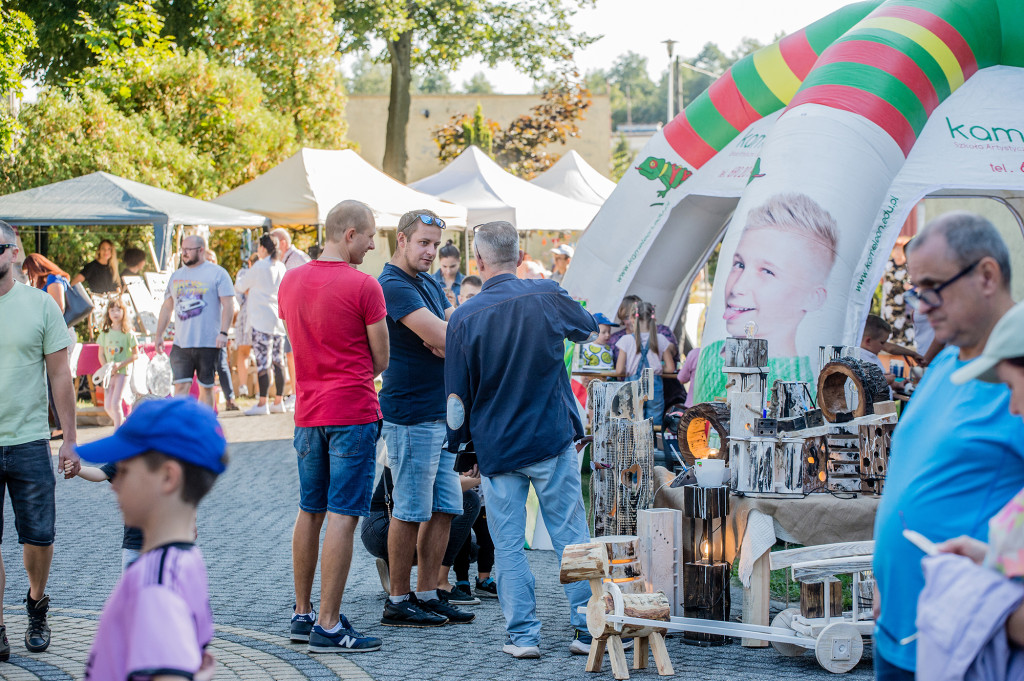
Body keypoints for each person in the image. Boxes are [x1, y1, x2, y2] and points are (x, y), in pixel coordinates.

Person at [872, 212, 1024, 680]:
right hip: (900, 630)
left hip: (967, 641)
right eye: (916, 290)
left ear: (986, 275)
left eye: (933, 287)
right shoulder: (945, 365)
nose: (921, 306)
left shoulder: (1015, 377)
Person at [445, 220, 598, 659]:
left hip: (497, 447)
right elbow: (587, 329)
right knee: (572, 535)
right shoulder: (547, 294)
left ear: (479, 260)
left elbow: (457, 398)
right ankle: (587, 627)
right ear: (519, 252)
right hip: (550, 438)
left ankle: (523, 635)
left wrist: (463, 450)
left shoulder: (464, 317)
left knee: (509, 544)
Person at [278, 200, 387, 653]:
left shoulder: (290, 281)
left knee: (310, 509)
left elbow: (297, 339)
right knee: (343, 514)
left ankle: (303, 614)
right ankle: (329, 625)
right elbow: (381, 358)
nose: (372, 244)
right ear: (349, 234)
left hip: (308, 412)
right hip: (353, 411)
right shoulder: (364, 286)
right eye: (369, 236)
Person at [76, 398, 225, 680]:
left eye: (125, 471)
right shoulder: (186, 561)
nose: (115, 484)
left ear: (168, 477)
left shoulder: (155, 584)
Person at [378, 209, 472, 628]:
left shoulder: (429, 281)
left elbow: (452, 326)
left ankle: (428, 593)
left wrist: (447, 337)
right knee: (411, 510)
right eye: (423, 243)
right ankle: (397, 600)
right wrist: (444, 339)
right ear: (401, 239)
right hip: (412, 413)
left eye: (435, 244)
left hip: (438, 413)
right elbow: (442, 337)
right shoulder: (393, 285)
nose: (431, 251)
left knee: (446, 508)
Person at [0, 220, 80, 660]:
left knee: (40, 538)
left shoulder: (41, 305)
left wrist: (69, 439)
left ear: (14, 252)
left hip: (30, 440)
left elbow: (59, 376)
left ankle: (35, 603)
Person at [693, 193, 839, 403]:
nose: (738, 286)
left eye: (768, 272)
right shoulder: (710, 354)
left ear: (813, 297)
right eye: (739, 264)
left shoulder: (806, 382)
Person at [360, 467, 484, 605]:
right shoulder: (426, 448)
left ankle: (397, 564)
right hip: (381, 526)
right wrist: (487, 473)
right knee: (468, 500)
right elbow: (443, 486)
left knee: (471, 548)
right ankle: (439, 583)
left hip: (397, 525)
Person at [154, 235, 235, 408]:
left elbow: (228, 305)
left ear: (201, 250)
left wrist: (223, 333)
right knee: (181, 386)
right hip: (181, 343)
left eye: (188, 250)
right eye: (182, 250)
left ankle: (202, 427)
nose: (184, 253)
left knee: (205, 388)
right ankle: (179, 428)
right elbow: (167, 307)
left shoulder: (217, 273)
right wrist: (159, 334)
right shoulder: (176, 276)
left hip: (208, 342)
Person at [23, 253, 72, 438]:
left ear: (37, 267)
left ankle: (63, 427)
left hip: (59, 334)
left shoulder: (53, 279)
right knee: (50, 381)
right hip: (50, 335)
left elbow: (58, 307)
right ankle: (58, 424)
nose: (29, 275)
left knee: (57, 378)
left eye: (29, 271)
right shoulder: (44, 283)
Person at [237, 236, 287, 416]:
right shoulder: (281, 266)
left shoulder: (259, 266)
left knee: (263, 362)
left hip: (261, 320)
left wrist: (241, 278)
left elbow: (242, 286)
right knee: (278, 361)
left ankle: (262, 403)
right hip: (277, 320)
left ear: (263, 248)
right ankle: (278, 401)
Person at [614, 301, 676, 426]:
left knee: (632, 422)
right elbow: (670, 368)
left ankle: (635, 446)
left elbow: (619, 370)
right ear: (654, 319)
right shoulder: (661, 339)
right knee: (653, 422)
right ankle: (652, 445)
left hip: (632, 385)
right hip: (655, 384)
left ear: (632, 319)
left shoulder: (625, 340)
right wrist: (658, 366)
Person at [73, 462, 144, 571]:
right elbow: (100, 473)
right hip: (134, 545)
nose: (114, 488)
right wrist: (77, 469)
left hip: (164, 544)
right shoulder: (129, 457)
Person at [271, 227, 311, 410]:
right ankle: (296, 392)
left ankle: (299, 394)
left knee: (295, 354)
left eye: (274, 243)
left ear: (283, 243)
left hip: (302, 315)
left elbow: (307, 286)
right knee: (290, 354)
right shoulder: (282, 260)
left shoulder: (297, 258)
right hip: (290, 314)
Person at [203, 250, 238, 411]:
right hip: (202, 333)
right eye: (207, 259)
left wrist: (225, 329)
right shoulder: (199, 280)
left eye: (213, 259)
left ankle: (230, 399)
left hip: (219, 331)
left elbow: (232, 305)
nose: (210, 262)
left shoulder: (221, 278)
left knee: (222, 366)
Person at [97, 298, 139, 428]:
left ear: (124, 312)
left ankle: (118, 434)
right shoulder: (105, 333)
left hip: (122, 372)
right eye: (112, 310)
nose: (115, 313)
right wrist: (107, 368)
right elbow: (101, 354)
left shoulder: (128, 333)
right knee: (108, 405)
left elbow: (135, 354)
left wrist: (120, 365)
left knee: (116, 403)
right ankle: (123, 425)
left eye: (118, 309)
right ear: (108, 313)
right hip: (110, 374)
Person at [233, 253, 259, 397]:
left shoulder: (266, 272)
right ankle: (243, 387)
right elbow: (240, 291)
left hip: (260, 315)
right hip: (245, 315)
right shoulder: (243, 273)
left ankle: (261, 391)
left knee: (261, 354)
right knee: (243, 351)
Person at [432, 239, 464, 307]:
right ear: (440, 262)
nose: (448, 271)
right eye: (444, 266)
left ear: (459, 260)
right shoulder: (430, 281)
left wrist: (455, 305)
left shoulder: (466, 282)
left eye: (452, 266)